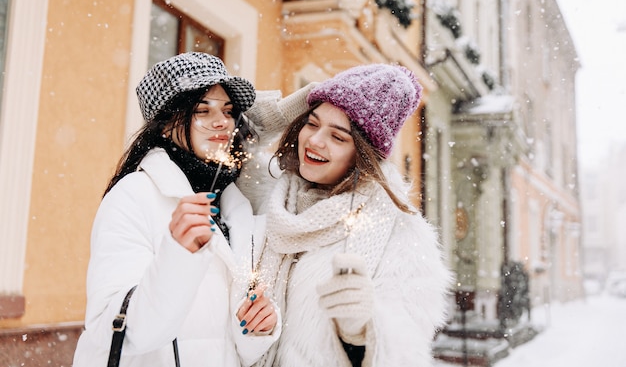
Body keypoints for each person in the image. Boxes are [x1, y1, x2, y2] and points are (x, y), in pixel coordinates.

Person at [72, 52, 280, 367]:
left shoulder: (236, 207)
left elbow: (230, 346)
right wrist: (178, 255)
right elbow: (118, 330)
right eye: (202, 110)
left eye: (227, 110)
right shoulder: (132, 196)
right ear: (166, 125)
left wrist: (258, 328)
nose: (222, 122)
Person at [249, 64, 452, 367]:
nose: (315, 141)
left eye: (338, 137)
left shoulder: (402, 233)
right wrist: (284, 110)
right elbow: (222, 135)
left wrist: (362, 329)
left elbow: (408, 352)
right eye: (312, 123)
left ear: (362, 154)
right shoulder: (270, 193)